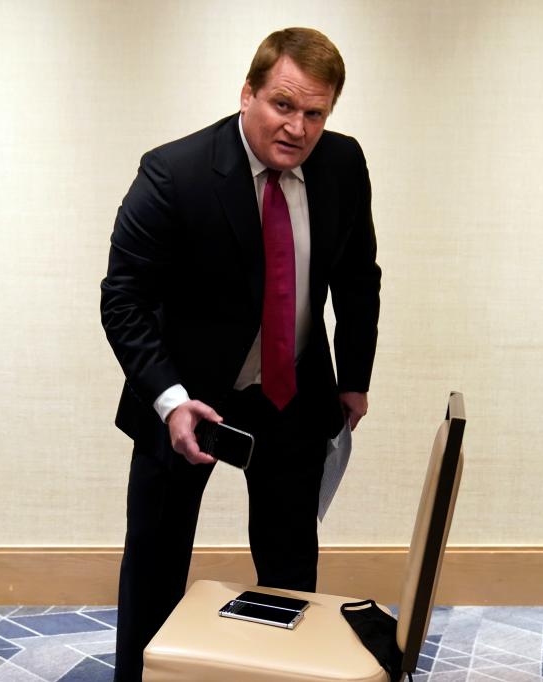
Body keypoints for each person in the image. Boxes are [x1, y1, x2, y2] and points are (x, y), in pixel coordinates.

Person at [100, 27, 381, 681]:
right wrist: (168, 400)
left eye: (315, 113)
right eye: (283, 105)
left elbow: (358, 277)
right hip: (185, 396)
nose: (297, 127)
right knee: (155, 559)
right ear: (248, 93)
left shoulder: (342, 165)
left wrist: (354, 378)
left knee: (290, 569)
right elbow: (123, 299)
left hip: (291, 394)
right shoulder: (175, 173)